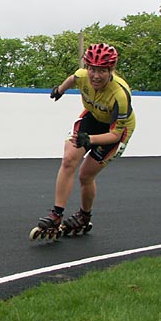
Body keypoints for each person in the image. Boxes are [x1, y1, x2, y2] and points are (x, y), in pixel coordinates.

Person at [36, 43, 136, 234]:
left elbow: (114, 135)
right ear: (87, 67)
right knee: (68, 160)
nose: (96, 76)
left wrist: (88, 139)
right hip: (93, 118)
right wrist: (60, 90)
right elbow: (73, 79)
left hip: (114, 131)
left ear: (111, 70)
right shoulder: (82, 76)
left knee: (85, 175)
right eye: (92, 69)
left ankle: (84, 215)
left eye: (102, 71)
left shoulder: (120, 96)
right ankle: (56, 214)